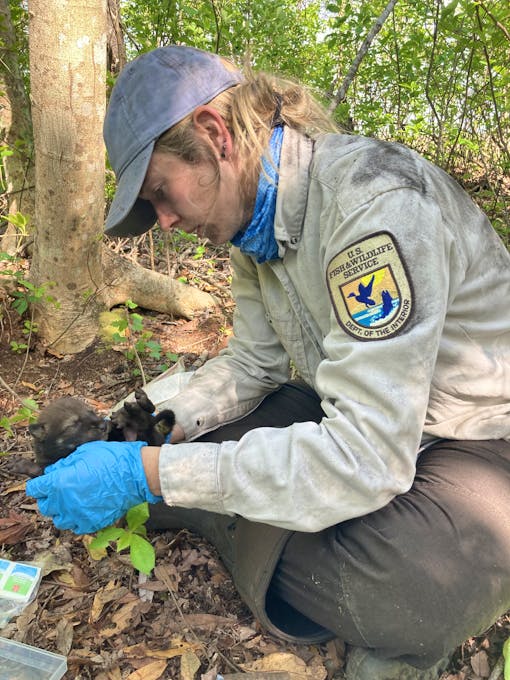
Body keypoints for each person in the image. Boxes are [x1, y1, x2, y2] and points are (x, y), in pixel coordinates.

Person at [26, 45, 510, 680]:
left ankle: (232, 518)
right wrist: (147, 428)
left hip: (473, 436)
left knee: (417, 587)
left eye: (161, 193)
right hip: (352, 409)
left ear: (214, 134)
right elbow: (252, 365)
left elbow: (366, 457)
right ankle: (248, 519)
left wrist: (147, 474)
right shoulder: (253, 227)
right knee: (190, 449)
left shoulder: (375, 206)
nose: (166, 221)